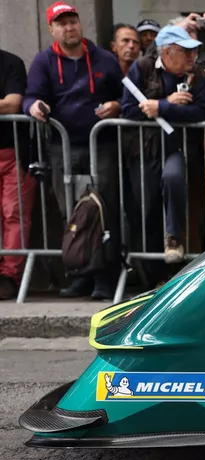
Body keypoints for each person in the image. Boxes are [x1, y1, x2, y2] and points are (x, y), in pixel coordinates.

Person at [24, 1, 124, 300]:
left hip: (102, 144)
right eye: (62, 23)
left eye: (73, 21)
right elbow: (31, 96)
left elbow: (126, 95)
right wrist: (34, 107)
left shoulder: (104, 59)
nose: (69, 27)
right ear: (52, 29)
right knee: (71, 213)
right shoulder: (43, 61)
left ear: (80, 24)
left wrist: (117, 105)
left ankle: (106, 277)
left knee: (104, 209)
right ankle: (80, 274)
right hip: (62, 147)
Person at [121, 25, 205, 267]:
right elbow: (128, 110)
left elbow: (201, 111)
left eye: (193, 51)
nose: (192, 57)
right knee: (147, 207)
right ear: (167, 52)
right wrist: (163, 103)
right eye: (186, 51)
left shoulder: (198, 75)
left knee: (173, 177)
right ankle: (149, 272)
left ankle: (173, 239)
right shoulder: (142, 68)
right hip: (145, 148)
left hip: (178, 147)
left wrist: (162, 107)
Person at [0, 48, 35, 300]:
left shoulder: (10, 62)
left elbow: (13, 103)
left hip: (13, 151)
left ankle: (9, 276)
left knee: (14, 214)